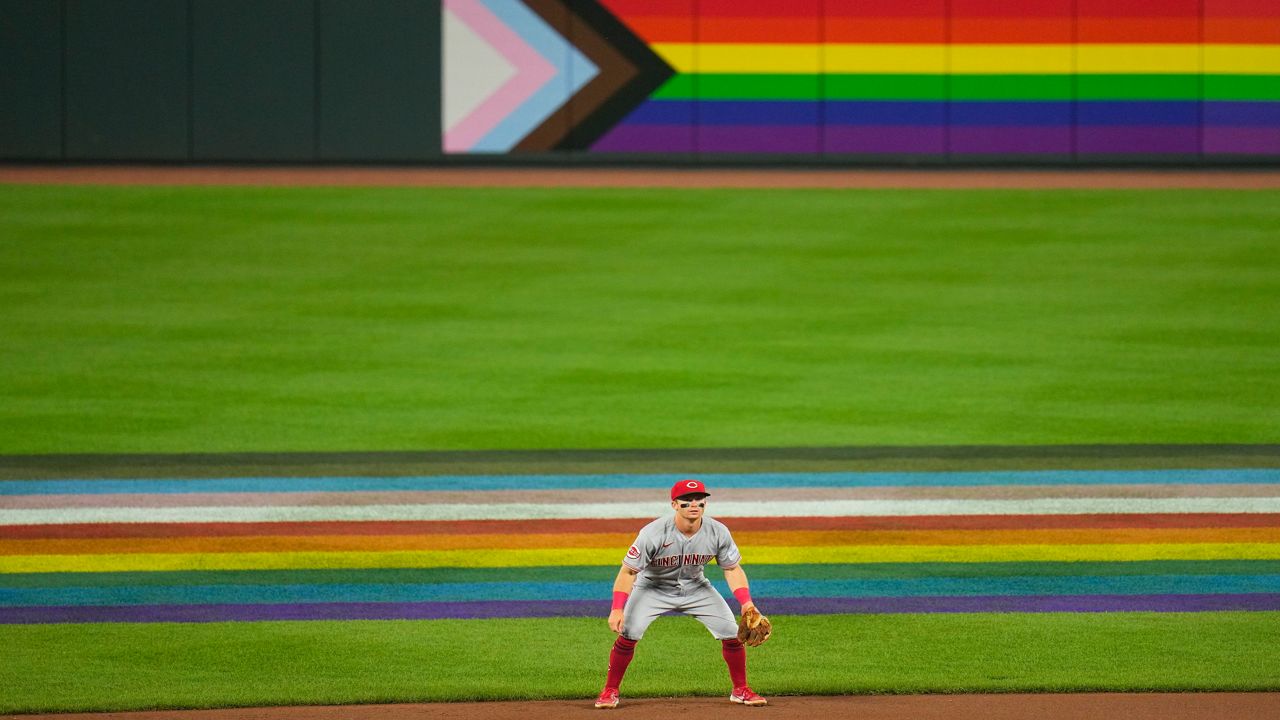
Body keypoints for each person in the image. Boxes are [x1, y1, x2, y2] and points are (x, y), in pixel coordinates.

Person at [594, 478, 767, 708]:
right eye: (686, 500)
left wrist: (747, 603)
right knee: (629, 632)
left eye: (699, 500)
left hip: (696, 586)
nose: (694, 504)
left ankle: (741, 690)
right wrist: (617, 608)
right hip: (652, 587)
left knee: (731, 633)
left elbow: (732, 568)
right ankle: (610, 691)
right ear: (674, 504)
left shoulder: (717, 531)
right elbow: (628, 572)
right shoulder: (653, 533)